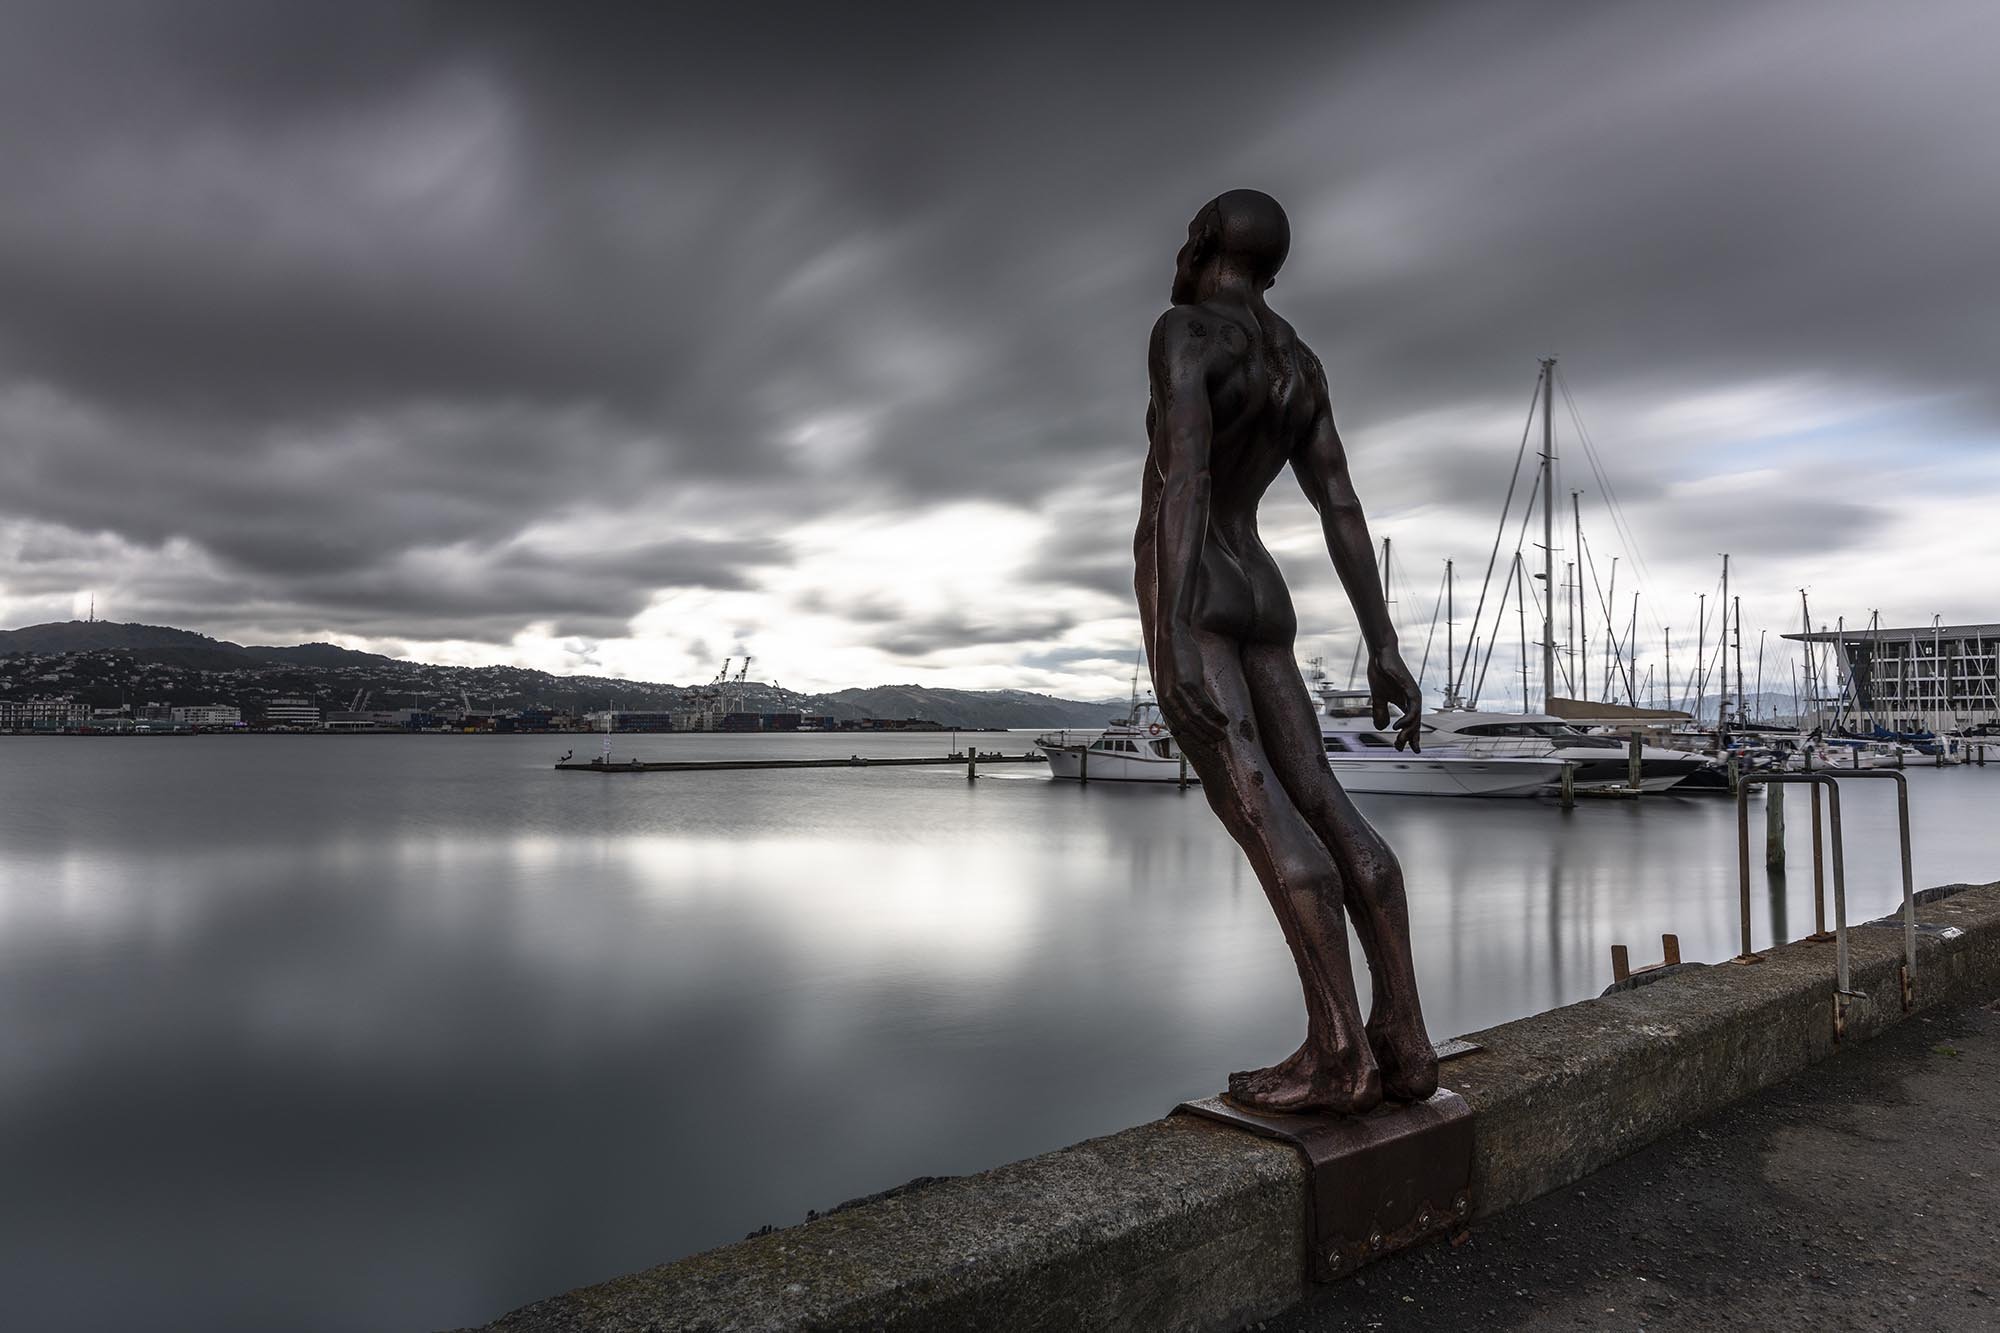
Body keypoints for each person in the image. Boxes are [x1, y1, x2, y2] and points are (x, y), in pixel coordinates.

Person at [1135, 189, 1435, 1114]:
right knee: (1325, 801)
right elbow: (1339, 502)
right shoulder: (1296, 361)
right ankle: (1405, 1040)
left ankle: (1339, 1054)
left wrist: (1174, 626)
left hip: (1200, 591)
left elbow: (1186, 476)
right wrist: (1382, 644)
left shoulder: (1185, 334)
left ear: (1203, 244)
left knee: (1260, 805)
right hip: (1263, 587)